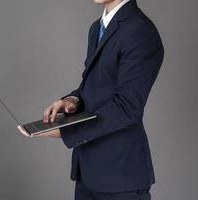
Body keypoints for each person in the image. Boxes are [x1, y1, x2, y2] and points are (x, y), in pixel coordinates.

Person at [18, 0, 164, 199]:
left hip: (121, 177)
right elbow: (95, 86)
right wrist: (72, 100)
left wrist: (65, 130)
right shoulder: (96, 28)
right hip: (87, 172)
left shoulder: (141, 32)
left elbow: (127, 107)